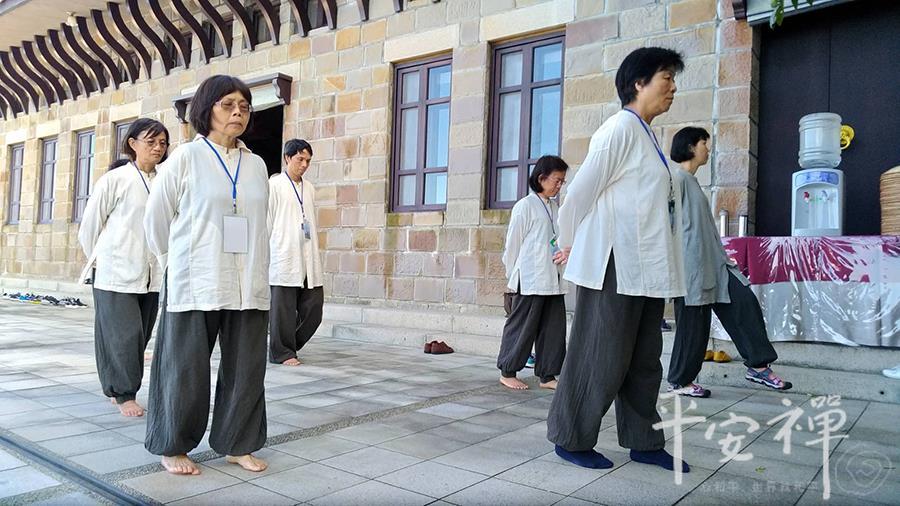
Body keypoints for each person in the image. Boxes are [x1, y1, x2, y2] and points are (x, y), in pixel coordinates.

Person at [546, 47, 689, 472]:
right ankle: (571, 438)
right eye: (666, 78)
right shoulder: (619, 129)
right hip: (614, 264)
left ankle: (644, 441)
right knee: (599, 355)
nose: (673, 87)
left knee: (644, 359)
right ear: (638, 83)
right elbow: (578, 195)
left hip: (646, 268)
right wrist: (570, 245)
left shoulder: (647, 135)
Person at [143, 75, 270, 475]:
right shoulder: (186, 158)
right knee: (184, 367)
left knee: (246, 367)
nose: (238, 112)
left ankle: (237, 442)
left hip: (247, 280)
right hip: (195, 277)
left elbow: (261, 223)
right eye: (227, 104)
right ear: (206, 109)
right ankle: (173, 445)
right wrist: (174, 261)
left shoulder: (256, 164)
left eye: (244, 106)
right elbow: (156, 219)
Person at [667, 127, 791, 397]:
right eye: (704, 143)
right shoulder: (676, 179)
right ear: (690, 147)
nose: (708, 149)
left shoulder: (691, 182)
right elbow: (665, 222)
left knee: (744, 302)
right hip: (691, 268)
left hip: (716, 264)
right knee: (693, 327)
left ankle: (758, 366)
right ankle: (680, 381)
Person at [78, 119, 169, 418]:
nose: (157, 148)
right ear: (132, 143)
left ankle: (117, 386)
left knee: (139, 336)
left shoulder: (165, 180)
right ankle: (123, 393)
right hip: (115, 272)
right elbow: (89, 227)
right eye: (151, 142)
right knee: (123, 337)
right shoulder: (115, 179)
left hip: (151, 275)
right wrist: (103, 260)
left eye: (162, 143)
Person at [497, 155, 569, 391]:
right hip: (530, 278)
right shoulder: (525, 206)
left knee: (553, 329)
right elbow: (512, 245)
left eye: (562, 181)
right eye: (557, 180)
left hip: (553, 279)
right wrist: (513, 276)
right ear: (541, 178)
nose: (559, 185)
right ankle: (508, 371)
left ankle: (547, 375)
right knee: (522, 327)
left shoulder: (555, 208)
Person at [268, 139, 324, 366]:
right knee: (282, 310)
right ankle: (282, 352)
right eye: (300, 159)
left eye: (308, 161)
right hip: (283, 255)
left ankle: (287, 344)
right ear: (287, 158)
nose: (304, 165)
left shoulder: (309, 188)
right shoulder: (274, 185)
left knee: (314, 308)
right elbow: (267, 222)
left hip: (308, 255)